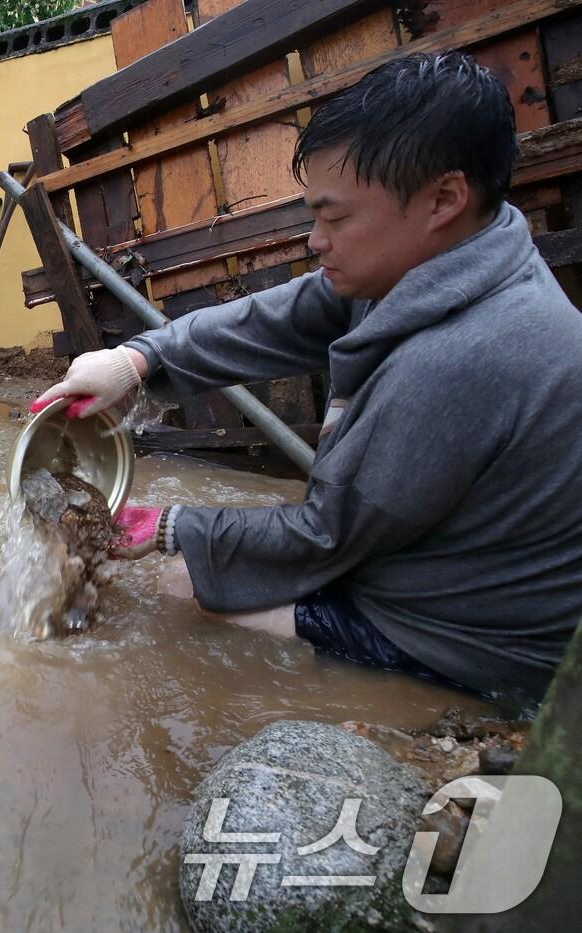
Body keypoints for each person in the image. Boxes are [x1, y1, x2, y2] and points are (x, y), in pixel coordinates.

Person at [32, 52, 582, 703]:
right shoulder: (438, 261)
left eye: (336, 217)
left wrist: (167, 526)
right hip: (414, 556)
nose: (315, 240)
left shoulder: (470, 354)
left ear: (444, 198)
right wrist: (138, 360)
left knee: (171, 594)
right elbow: (276, 320)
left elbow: (324, 536)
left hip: (466, 638)